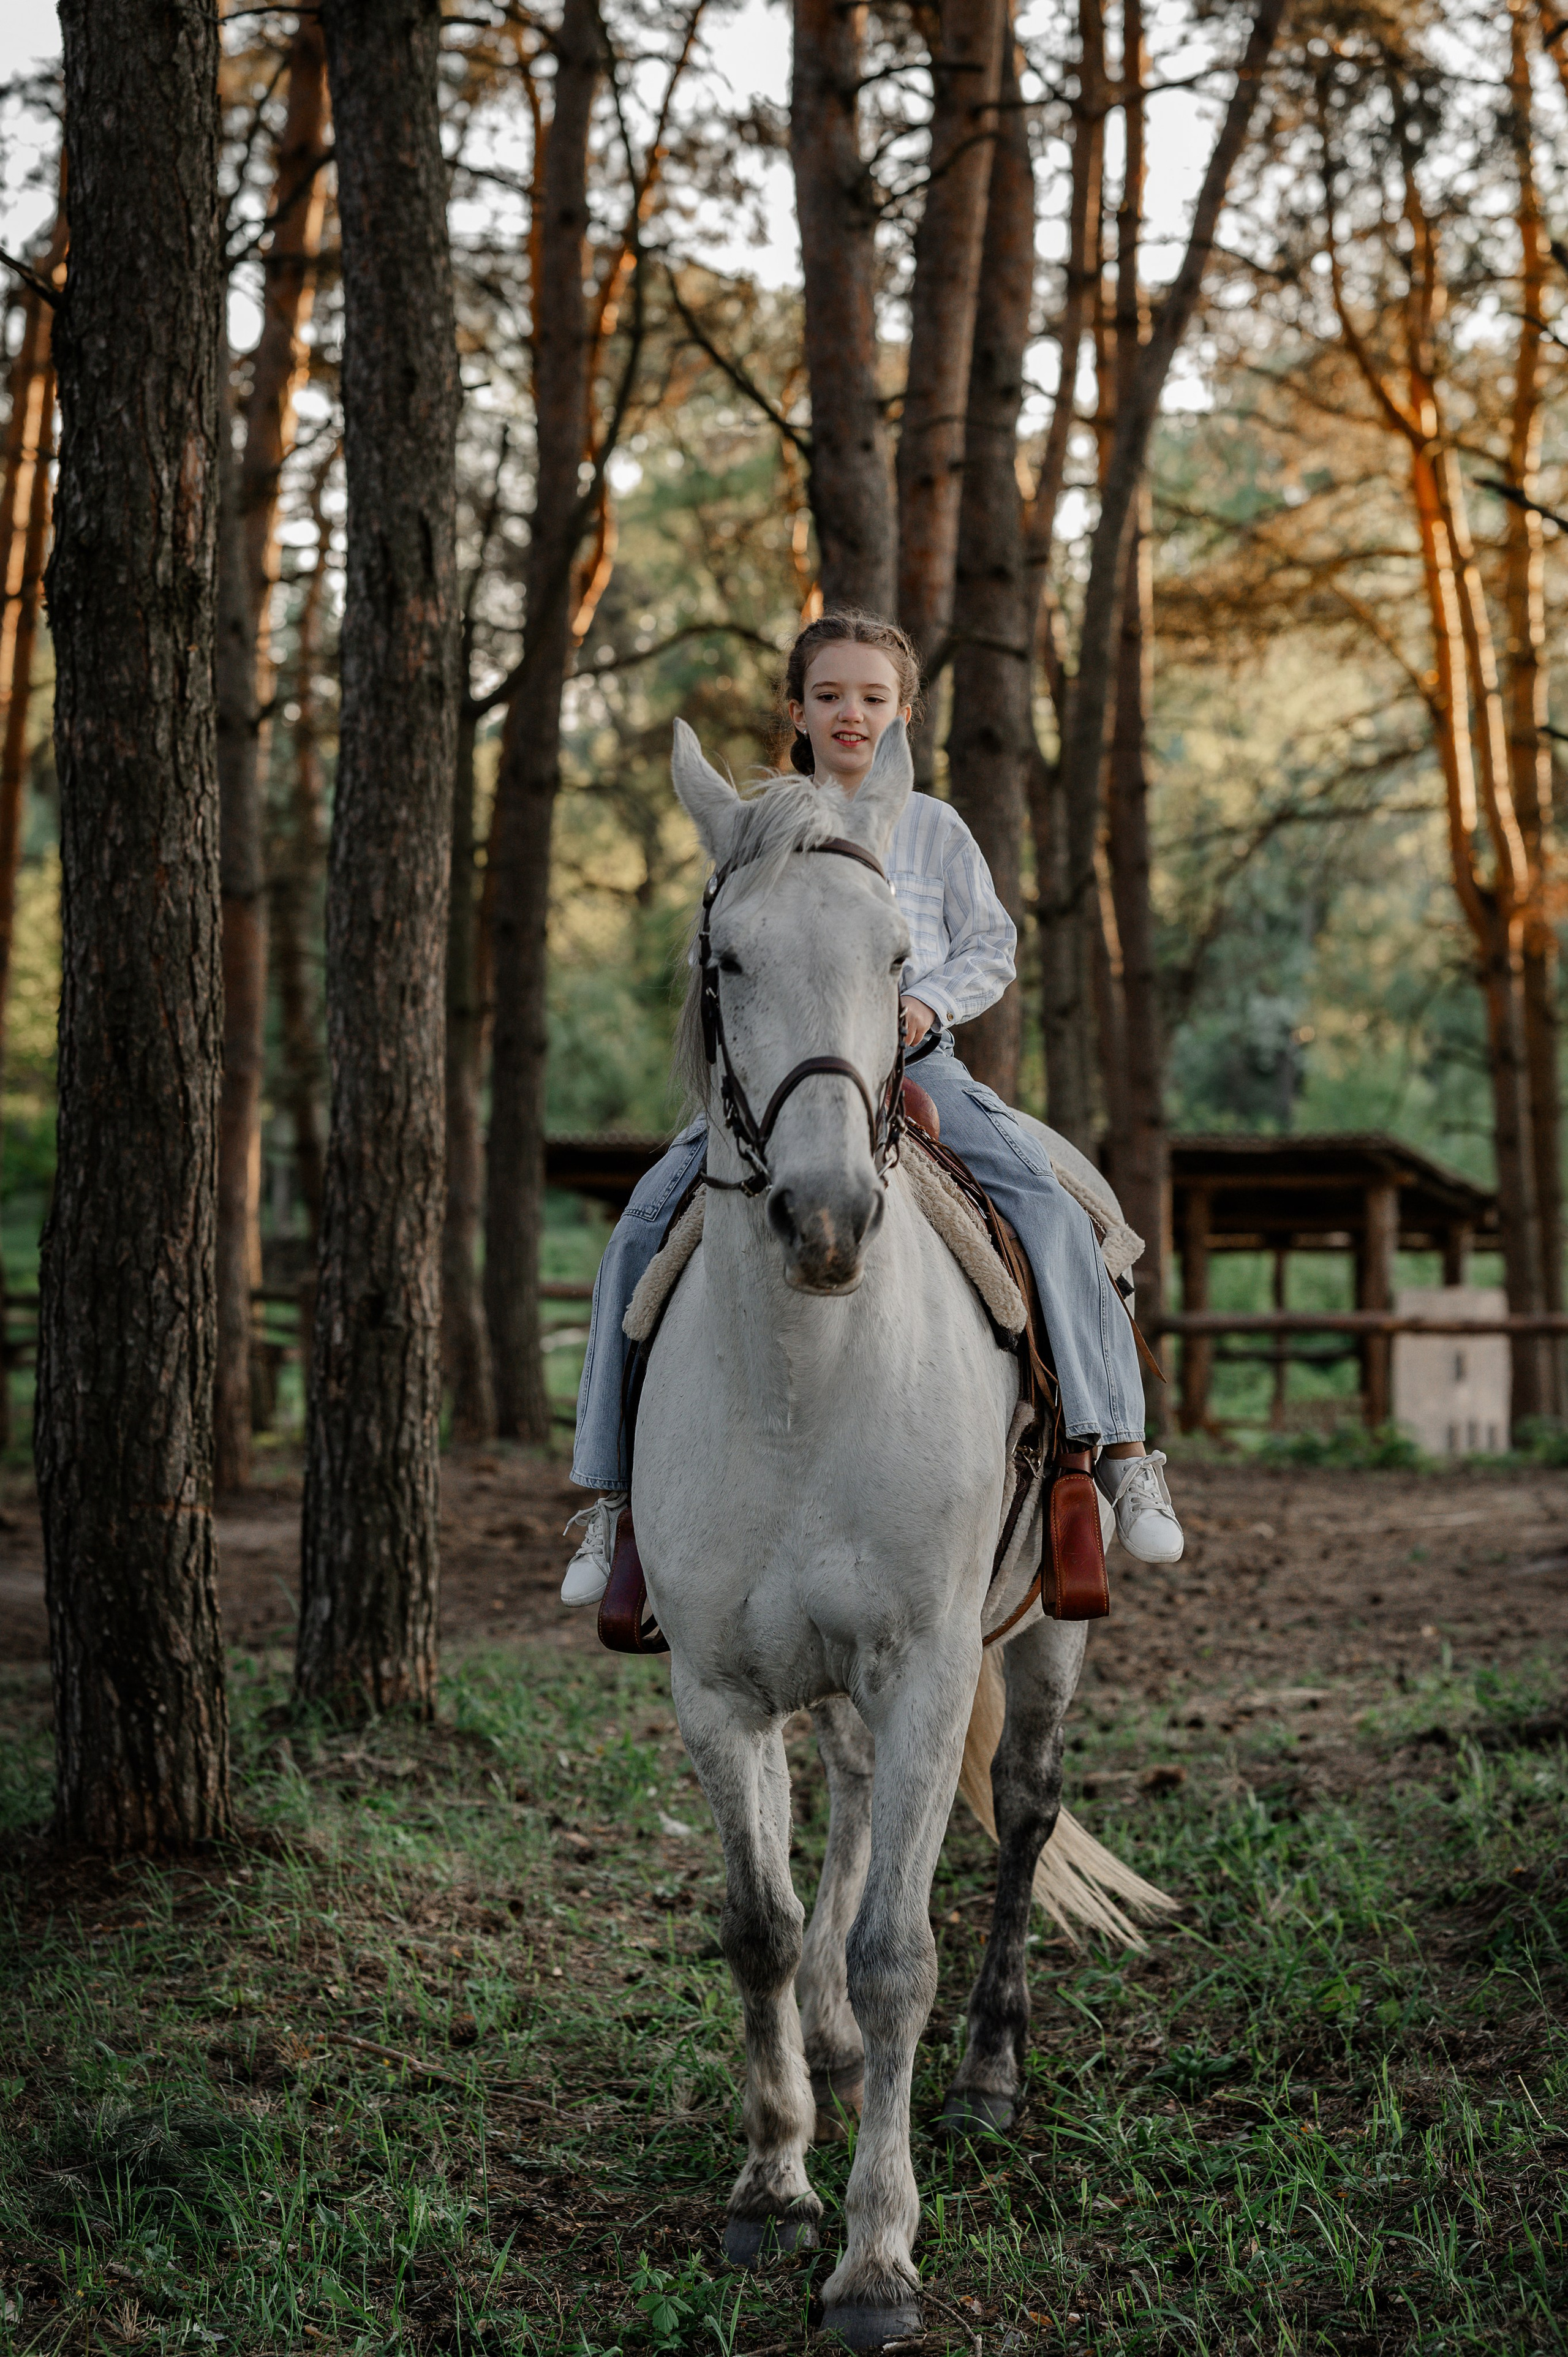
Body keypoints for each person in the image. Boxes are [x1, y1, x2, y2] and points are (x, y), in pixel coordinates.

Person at [561, 612, 1183, 1605]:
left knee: (1051, 1207)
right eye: (829, 695)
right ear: (797, 711)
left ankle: (1116, 1452)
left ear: (904, 715)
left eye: (872, 697)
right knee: (640, 1229)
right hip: (780, 1084)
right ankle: (610, 1493)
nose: (850, 713)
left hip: (914, 1062)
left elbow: (991, 944)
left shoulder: (932, 826)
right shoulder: (755, 829)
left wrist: (927, 1003)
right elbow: (724, 961)